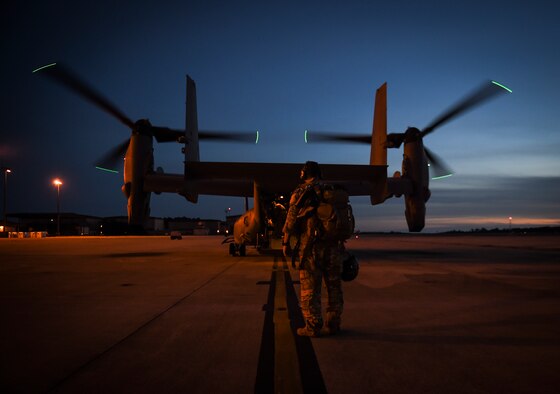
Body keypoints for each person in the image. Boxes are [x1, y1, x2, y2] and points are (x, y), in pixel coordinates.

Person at [282, 161, 344, 337]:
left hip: (311, 248)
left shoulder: (301, 191)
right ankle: (334, 323)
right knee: (334, 287)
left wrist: (286, 242)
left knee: (310, 288)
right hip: (333, 247)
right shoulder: (331, 190)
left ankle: (313, 326)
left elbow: (291, 221)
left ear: (304, 174)